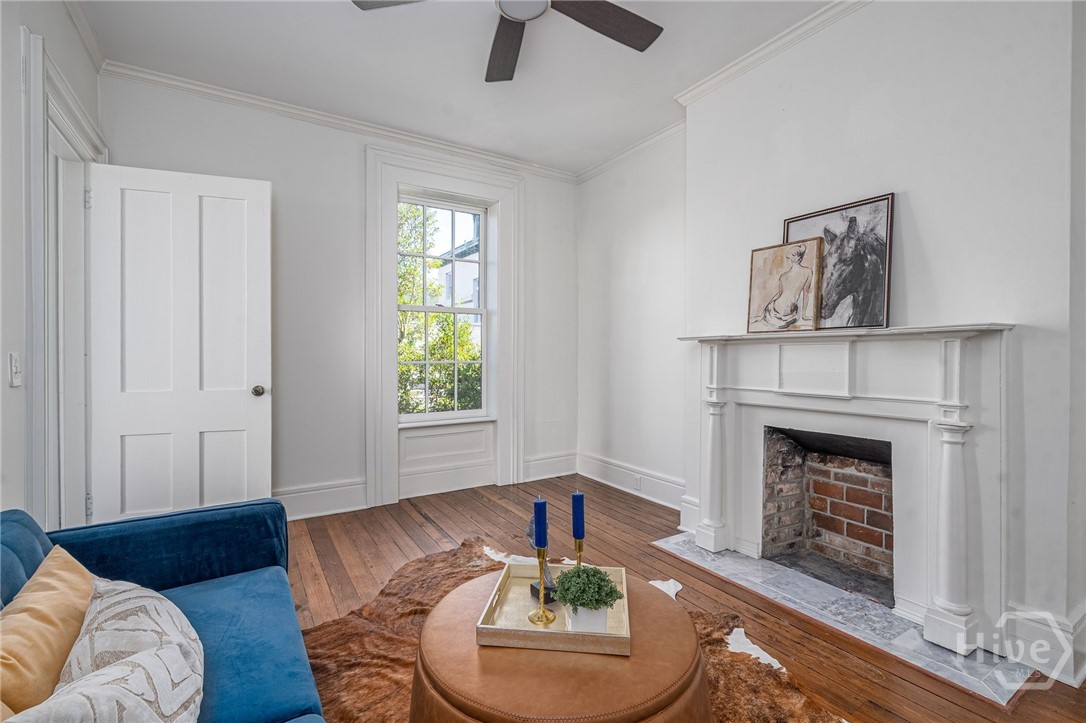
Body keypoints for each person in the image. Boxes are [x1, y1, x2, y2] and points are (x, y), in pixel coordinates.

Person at [759, 242, 815, 329]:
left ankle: (765, 315)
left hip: (778, 310)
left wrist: (804, 315)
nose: (788, 260)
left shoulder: (784, 276)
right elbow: (806, 294)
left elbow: (780, 294)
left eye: (789, 258)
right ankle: (765, 315)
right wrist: (804, 315)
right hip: (783, 311)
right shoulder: (807, 272)